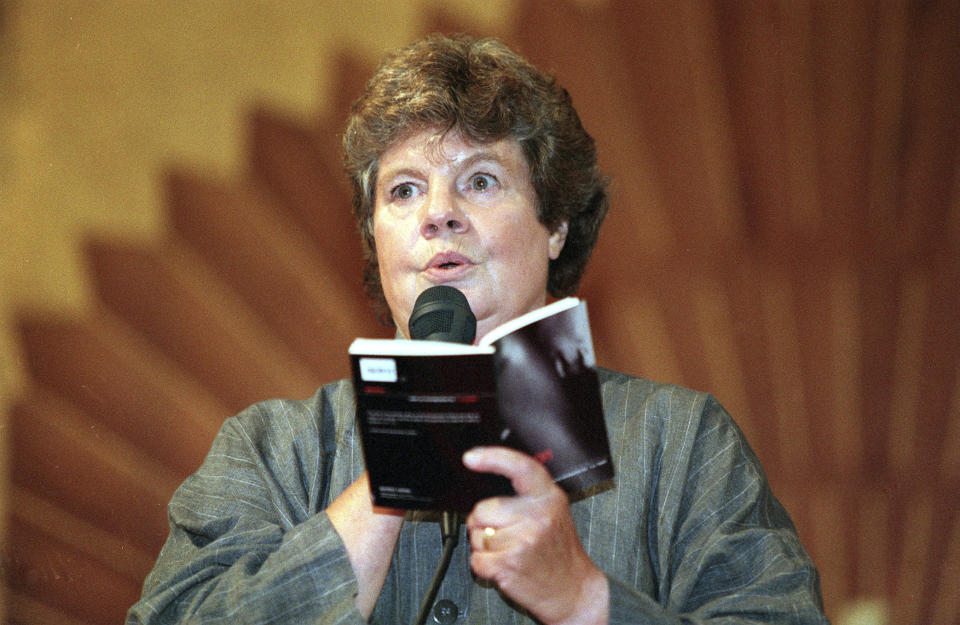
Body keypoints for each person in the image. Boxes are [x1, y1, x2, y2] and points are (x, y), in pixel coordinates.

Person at [127, 34, 828, 624]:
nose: (438, 213)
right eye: (403, 190)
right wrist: (389, 479)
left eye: (481, 180)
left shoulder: (681, 440)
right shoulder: (269, 451)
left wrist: (585, 597)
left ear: (555, 223)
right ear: (375, 240)